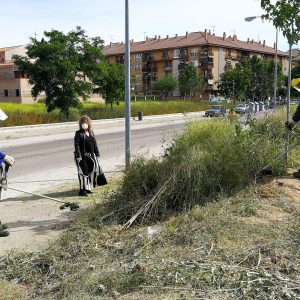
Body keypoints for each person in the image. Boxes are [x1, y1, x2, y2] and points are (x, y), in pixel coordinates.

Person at [74, 115, 102, 196]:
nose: (84, 123)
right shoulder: (78, 133)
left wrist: (97, 152)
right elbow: (77, 145)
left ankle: (88, 188)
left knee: (92, 171)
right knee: (83, 172)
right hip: (82, 156)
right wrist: (79, 156)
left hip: (91, 155)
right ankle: (82, 190)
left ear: (89, 123)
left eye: (86, 122)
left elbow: (95, 143)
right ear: (80, 123)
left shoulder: (91, 132)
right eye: (83, 122)